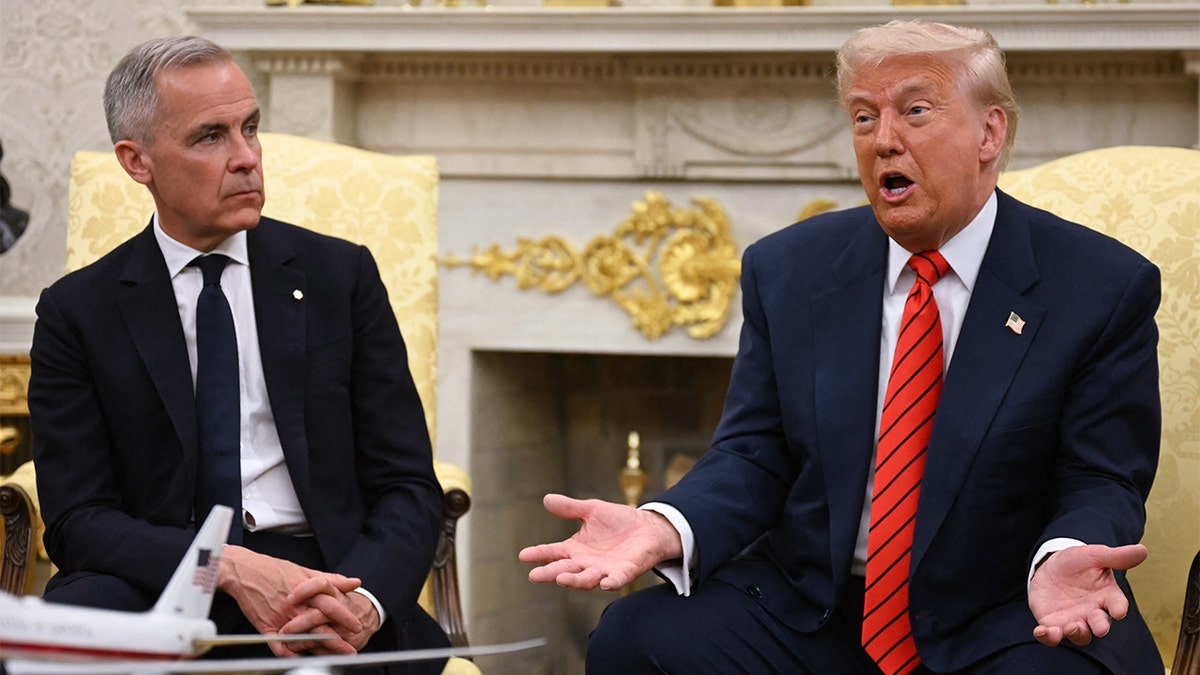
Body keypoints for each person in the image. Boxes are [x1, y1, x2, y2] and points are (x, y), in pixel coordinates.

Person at [520, 20, 1163, 675]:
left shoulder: (1100, 286)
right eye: (863, 117)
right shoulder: (790, 269)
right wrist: (667, 522)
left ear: (989, 133)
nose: (884, 139)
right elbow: (753, 453)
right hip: (820, 608)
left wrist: (1065, 553)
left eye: (914, 111)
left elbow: (1101, 475)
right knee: (636, 638)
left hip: (1002, 611)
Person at [28, 36, 448, 675]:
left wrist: (362, 599)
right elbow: (76, 520)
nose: (248, 158)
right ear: (137, 161)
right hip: (161, 579)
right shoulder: (77, 311)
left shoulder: (340, 276)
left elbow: (408, 483)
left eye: (250, 129)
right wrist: (222, 564)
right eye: (210, 137)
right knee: (60, 654)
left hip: (325, 576)